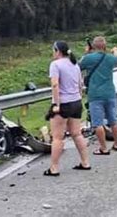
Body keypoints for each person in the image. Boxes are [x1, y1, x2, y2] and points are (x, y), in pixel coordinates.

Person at [44, 41, 90, 176]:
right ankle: (85, 162)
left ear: (58, 51)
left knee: (58, 137)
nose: (53, 53)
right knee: (77, 133)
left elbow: (55, 85)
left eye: (53, 50)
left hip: (63, 103)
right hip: (76, 102)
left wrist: (56, 104)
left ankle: (54, 168)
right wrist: (79, 97)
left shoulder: (55, 65)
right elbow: (80, 84)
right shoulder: (74, 64)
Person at [80, 36, 117, 155]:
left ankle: (103, 147)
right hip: (110, 93)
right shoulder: (110, 58)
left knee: (97, 123)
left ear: (93, 46)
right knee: (113, 120)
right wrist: (115, 50)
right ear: (105, 45)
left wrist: (86, 53)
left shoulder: (88, 58)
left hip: (95, 94)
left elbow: (78, 66)